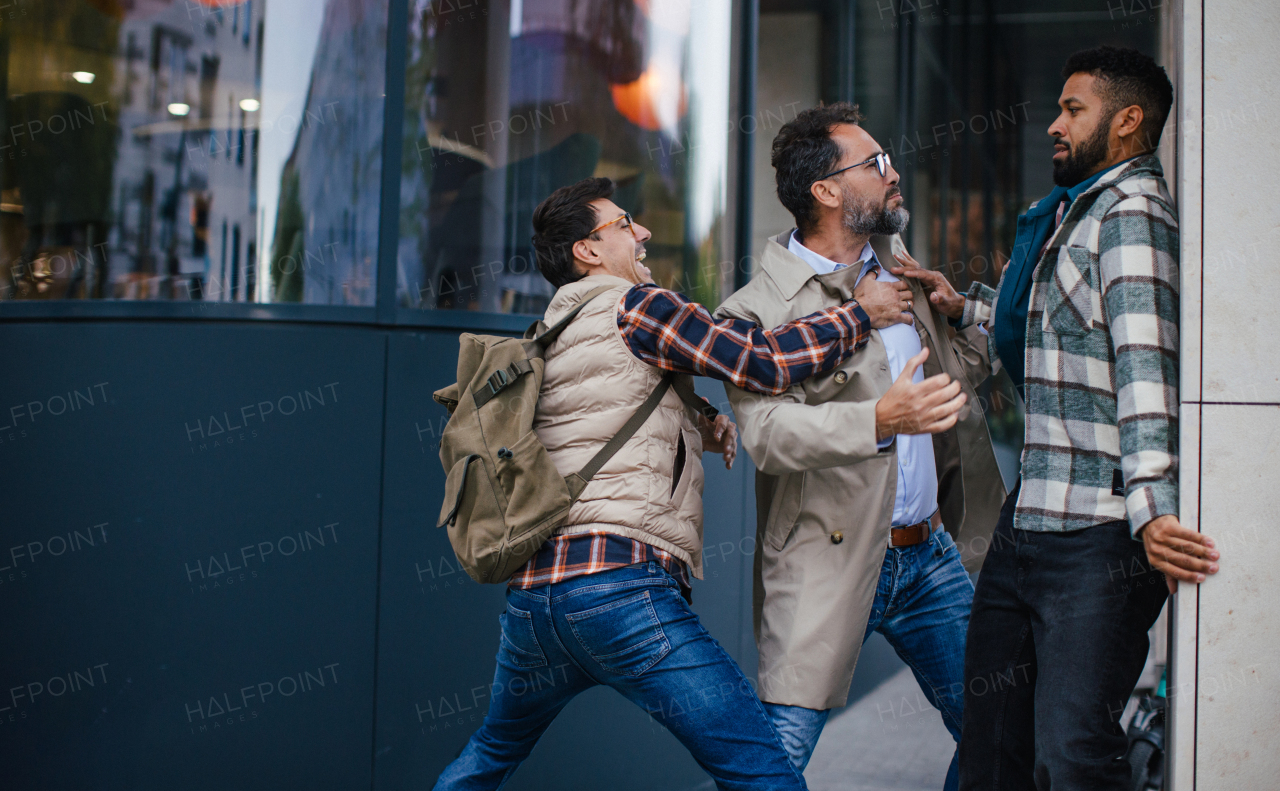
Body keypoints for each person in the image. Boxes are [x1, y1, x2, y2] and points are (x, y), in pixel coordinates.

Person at [434, 176, 906, 791]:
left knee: (491, 752)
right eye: (626, 223)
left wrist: (699, 420)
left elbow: (599, 408)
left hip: (535, 602)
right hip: (621, 590)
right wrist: (859, 314)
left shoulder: (547, 332)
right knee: (761, 769)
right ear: (589, 250)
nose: (644, 232)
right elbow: (759, 360)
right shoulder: (638, 304)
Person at [899, 45, 1219, 790]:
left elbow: (1147, 372)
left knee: (1071, 753)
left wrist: (1151, 509)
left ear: (1128, 120)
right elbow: (1060, 329)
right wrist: (967, 305)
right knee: (993, 746)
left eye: (1073, 109)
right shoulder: (1084, 212)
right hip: (1030, 521)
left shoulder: (1133, 219)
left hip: (1098, 536)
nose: (1054, 124)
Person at [713, 103, 1006, 791]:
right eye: (875, 163)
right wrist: (880, 417)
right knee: (773, 761)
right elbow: (770, 435)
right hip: (824, 556)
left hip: (928, 558)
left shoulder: (900, 271)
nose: (894, 172)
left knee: (1000, 729)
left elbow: (952, 385)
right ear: (826, 190)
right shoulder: (752, 313)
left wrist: (961, 315)